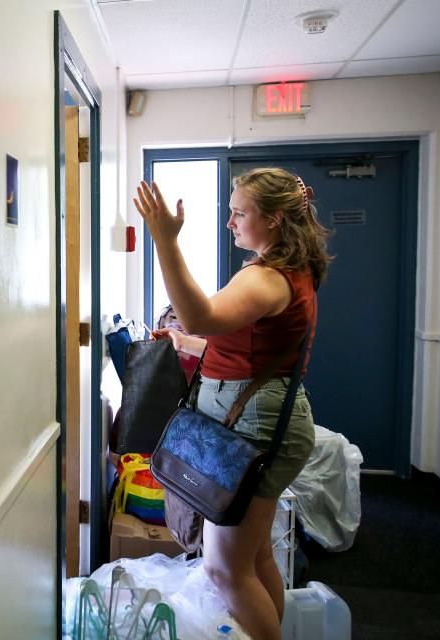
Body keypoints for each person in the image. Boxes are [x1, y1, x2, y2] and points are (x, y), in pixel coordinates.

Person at [134, 168, 331, 640]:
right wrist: (188, 344)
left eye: (240, 214)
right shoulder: (283, 271)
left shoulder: (267, 278)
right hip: (256, 410)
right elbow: (245, 352)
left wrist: (164, 239)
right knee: (255, 556)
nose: (231, 223)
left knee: (225, 569)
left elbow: (200, 314)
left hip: (254, 422)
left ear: (277, 219)